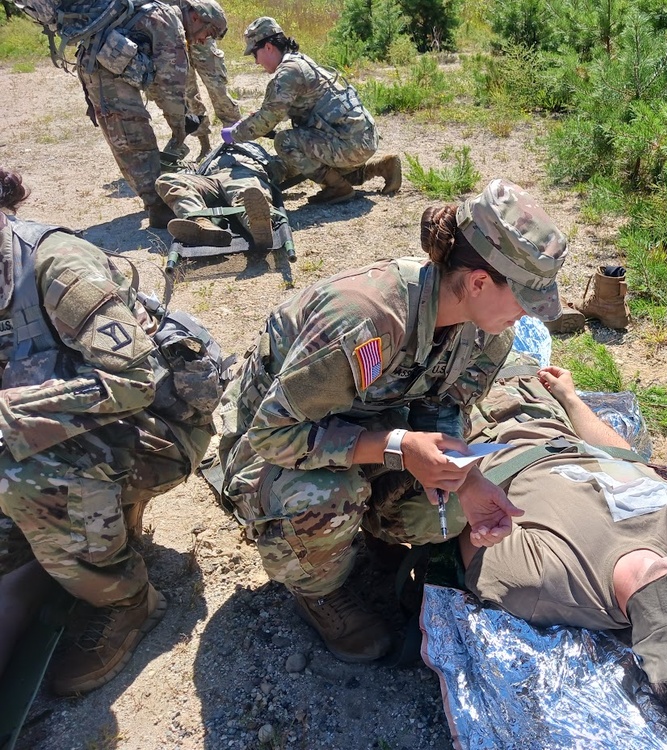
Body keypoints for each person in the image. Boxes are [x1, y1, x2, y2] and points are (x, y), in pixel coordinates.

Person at [215, 178, 568, 662]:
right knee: (329, 498)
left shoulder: (487, 336)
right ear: (479, 282)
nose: (529, 316)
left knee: (442, 513)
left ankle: (369, 533)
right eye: (525, 299)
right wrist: (397, 448)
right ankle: (318, 588)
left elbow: (444, 410)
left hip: (367, 432)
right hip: (273, 446)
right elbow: (272, 434)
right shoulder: (362, 319)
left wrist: (465, 479)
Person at [456, 359, 667, 724]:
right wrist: (572, 400)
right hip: (537, 396)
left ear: (645, 648)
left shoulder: (541, 584)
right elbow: (622, 461)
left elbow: (465, 509)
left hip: (466, 420)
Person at [0, 167, 222, 695]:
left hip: (155, 427)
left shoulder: (55, 265)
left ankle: (125, 600)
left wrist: (9, 414)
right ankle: (82, 529)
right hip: (68, 430)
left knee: (22, 476)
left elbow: (133, 379)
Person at [15, 0, 225, 227]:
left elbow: (158, 82)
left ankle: (159, 203)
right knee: (134, 140)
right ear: (195, 17)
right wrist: (179, 129)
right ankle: (159, 207)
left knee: (130, 140)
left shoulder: (158, 15)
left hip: (101, 68)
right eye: (209, 32)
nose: (204, 40)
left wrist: (179, 124)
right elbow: (170, 85)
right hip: (107, 76)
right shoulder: (169, 22)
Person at [221, 16, 402, 205]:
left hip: (351, 143)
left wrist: (234, 134)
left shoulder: (288, 72)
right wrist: (260, 120)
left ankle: (337, 189)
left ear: (268, 47)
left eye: (254, 54)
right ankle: (382, 166)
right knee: (325, 164)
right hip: (361, 138)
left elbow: (267, 118)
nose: (256, 61)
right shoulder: (299, 62)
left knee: (285, 142)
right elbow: (280, 109)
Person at [155, 141, 284, 249]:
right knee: (167, 180)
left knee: (247, 192)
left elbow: (282, 167)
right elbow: (190, 168)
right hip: (210, 180)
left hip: (241, 174)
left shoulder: (255, 151)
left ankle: (258, 227)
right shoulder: (213, 154)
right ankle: (200, 223)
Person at [165, 0, 241, 160]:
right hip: (177, 35)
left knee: (217, 88)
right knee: (188, 92)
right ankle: (205, 147)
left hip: (200, 29)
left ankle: (236, 141)